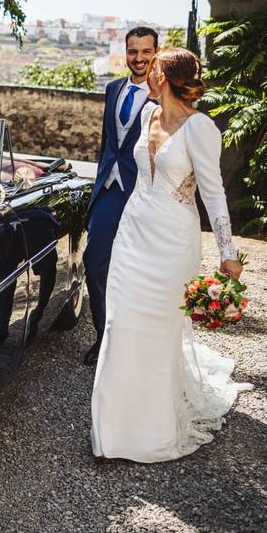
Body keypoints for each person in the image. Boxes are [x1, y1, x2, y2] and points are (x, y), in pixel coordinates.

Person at [90, 48, 252, 463]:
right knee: (121, 323)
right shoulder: (146, 116)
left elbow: (213, 195)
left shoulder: (201, 129)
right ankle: (112, 430)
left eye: (154, 65)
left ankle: (153, 432)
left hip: (173, 241)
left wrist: (227, 253)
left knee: (159, 332)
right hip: (133, 232)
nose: (146, 69)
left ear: (164, 76)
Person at [82, 27, 158, 366]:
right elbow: (107, 143)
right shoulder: (113, 89)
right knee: (95, 263)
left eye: (145, 51)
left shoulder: (165, 96)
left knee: (136, 271)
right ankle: (104, 336)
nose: (139, 58)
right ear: (124, 52)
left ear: (156, 53)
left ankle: (135, 344)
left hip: (144, 193)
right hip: (110, 189)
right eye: (132, 51)